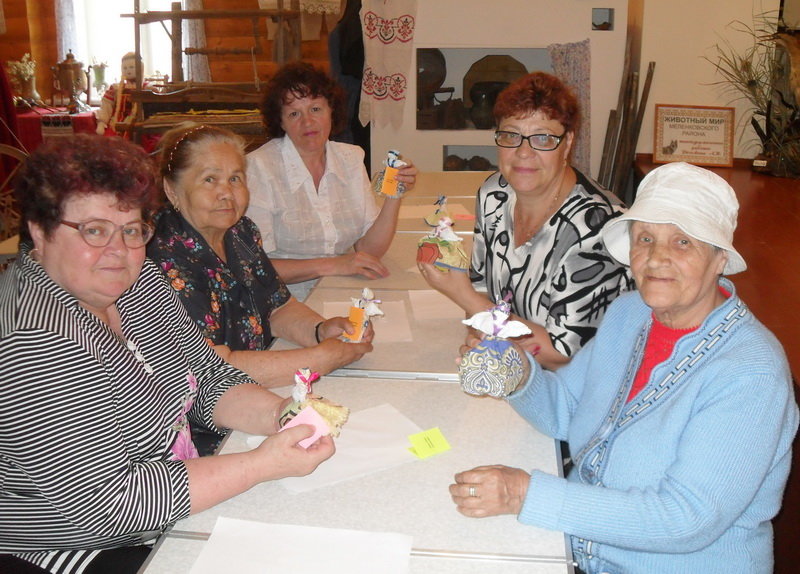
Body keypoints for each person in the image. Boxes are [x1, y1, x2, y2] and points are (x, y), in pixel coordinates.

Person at [0, 134, 334, 574]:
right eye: (94, 230)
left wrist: (282, 415)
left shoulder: (139, 282)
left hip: (170, 495)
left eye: (131, 230)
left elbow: (207, 372)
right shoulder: (34, 340)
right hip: (77, 542)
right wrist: (260, 464)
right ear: (39, 231)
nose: (118, 251)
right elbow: (108, 503)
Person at [449, 162, 799, 573]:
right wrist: (516, 372)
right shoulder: (629, 313)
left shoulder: (750, 374)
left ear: (720, 258)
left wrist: (522, 494)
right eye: (645, 238)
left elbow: (686, 519)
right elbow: (566, 410)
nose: (657, 257)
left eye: (682, 242)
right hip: (576, 553)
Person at [419, 72, 632, 370]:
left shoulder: (596, 227)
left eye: (543, 138)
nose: (523, 152)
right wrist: (481, 335)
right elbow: (482, 289)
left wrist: (463, 297)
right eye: (511, 135)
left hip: (579, 381)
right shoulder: (494, 194)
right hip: (512, 364)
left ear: (568, 142)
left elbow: (565, 353)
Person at [148, 123, 373, 388]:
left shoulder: (241, 233)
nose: (227, 193)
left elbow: (277, 307)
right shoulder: (162, 259)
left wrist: (321, 331)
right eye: (210, 180)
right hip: (205, 405)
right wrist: (319, 359)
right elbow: (209, 368)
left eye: (235, 179)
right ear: (172, 190)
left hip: (255, 386)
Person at [245, 61, 418, 300]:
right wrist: (334, 264)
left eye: (315, 109)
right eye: (294, 113)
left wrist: (394, 195)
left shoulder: (350, 158)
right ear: (281, 122)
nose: (307, 122)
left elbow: (368, 250)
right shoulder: (258, 168)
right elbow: (254, 268)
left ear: (331, 111)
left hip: (339, 288)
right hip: (283, 301)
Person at [95, 52, 147, 137]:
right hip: (116, 124)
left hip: (137, 125)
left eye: (131, 67)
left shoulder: (146, 88)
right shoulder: (116, 88)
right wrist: (102, 122)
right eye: (125, 68)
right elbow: (106, 107)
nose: (128, 70)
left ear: (140, 68)